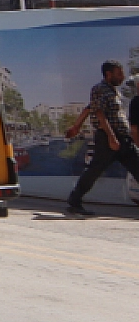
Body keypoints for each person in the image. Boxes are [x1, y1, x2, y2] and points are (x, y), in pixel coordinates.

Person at [64, 60, 139, 214]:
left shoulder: (113, 91)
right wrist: (112, 138)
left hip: (123, 139)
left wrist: (76, 126)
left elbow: (89, 107)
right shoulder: (99, 89)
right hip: (108, 138)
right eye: (119, 73)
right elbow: (99, 112)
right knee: (94, 171)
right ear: (108, 74)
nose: (122, 76)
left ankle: (75, 199)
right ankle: (75, 200)